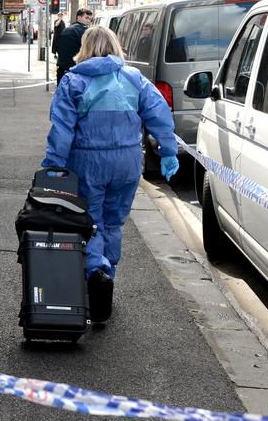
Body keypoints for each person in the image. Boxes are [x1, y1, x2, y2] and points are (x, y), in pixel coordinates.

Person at [41, 26, 179, 323]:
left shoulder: (74, 81)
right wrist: (167, 150)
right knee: (114, 223)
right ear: (116, 46)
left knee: (89, 222)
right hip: (127, 163)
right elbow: (160, 114)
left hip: (87, 162)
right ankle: (107, 277)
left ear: (85, 48)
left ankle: (96, 271)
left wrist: (53, 166)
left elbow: (62, 131)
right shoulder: (133, 78)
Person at [56, 8, 93, 83]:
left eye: (90, 19)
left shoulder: (67, 29)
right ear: (78, 17)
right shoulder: (85, 31)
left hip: (62, 67)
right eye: (86, 18)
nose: (88, 21)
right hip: (77, 69)